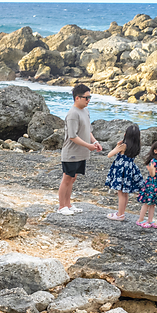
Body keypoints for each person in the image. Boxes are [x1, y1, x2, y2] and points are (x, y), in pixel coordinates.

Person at [58, 84, 102, 215]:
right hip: (71, 152)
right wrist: (88, 146)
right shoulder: (72, 114)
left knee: (73, 178)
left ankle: (68, 204)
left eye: (90, 97)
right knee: (67, 178)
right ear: (77, 98)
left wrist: (95, 142)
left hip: (81, 153)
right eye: (86, 98)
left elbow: (87, 131)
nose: (89, 100)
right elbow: (72, 136)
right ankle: (61, 207)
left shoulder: (85, 111)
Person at [103, 125, 143, 221]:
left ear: (126, 134)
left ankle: (120, 214)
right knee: (125, 193)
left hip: (121, 170)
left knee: (120, 193)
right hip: (130, 169)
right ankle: (121, 212)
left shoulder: (123, 146)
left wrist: (117, 146)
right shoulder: (137, 146)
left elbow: (109, 155)